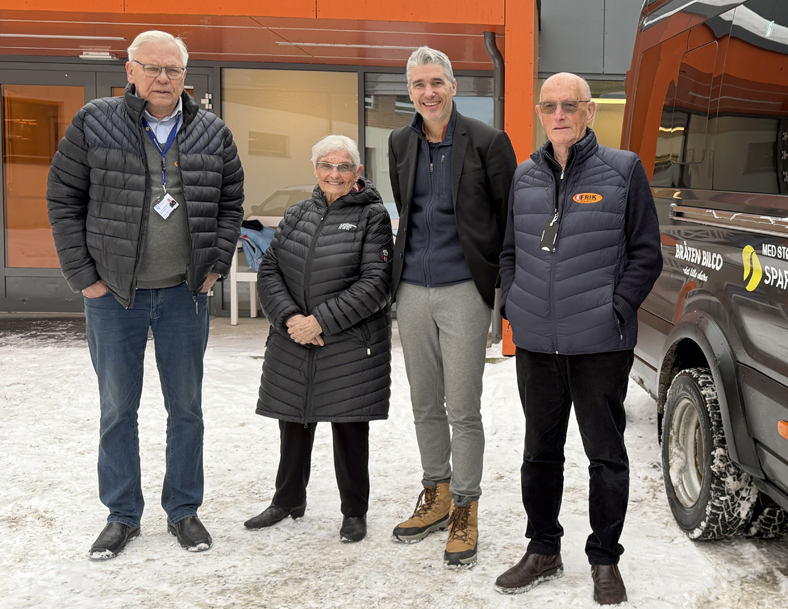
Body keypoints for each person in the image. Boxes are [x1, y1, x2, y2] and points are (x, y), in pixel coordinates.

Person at [46, 30, 244, 559]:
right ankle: (121, 515)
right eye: (152, 68)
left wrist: (215, 266)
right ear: (130, 71)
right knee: (118, 409)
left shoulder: (213, 132)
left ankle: (183, 510)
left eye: (173, 70)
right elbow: (63, 199)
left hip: (184, 294)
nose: (163, 78)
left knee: (187, 409)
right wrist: (83, 276)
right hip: (114, 295)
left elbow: (231, 205)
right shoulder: (94, 122)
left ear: (185, 76)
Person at [494, 73, 663, 605]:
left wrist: (615, 309)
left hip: (599, 344)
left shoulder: (623, 170)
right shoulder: (524, 176)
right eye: (550, 106)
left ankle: (605, 559)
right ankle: (543, 548)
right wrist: (513, 303)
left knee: (605, 456)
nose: (560, 114)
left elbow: (646, 254)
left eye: (570, 105)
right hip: (537, 344)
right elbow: (509, 251)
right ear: (539, 114)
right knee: (539, 453)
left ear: (590, 111)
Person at [387, 46, 517, 567]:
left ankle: (465, 507)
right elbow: (408, 210)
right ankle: (436, 494)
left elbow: (508, 218)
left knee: (462, 407)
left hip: (464, 288)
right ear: (410, 92)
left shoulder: (487, 141)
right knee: (424, 403)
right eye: (419, 84)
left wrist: (502, 292)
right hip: (411, 291)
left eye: (437, 82)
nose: (429, 92)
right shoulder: (400, 142)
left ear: (453, 87)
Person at [247, 135, 393, 543]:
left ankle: (354, 511)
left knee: (349, 428)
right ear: (315, 169)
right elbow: (270, 269)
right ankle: (287, 500)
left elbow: (376, 283)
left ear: (357, 172)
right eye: (327, 165)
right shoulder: (297, 213)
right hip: (294, 337)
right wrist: (290, 318)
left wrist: (320, 322)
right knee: (294, 419)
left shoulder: (373, 216)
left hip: (348, 341)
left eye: (344, 167)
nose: (335, 174)